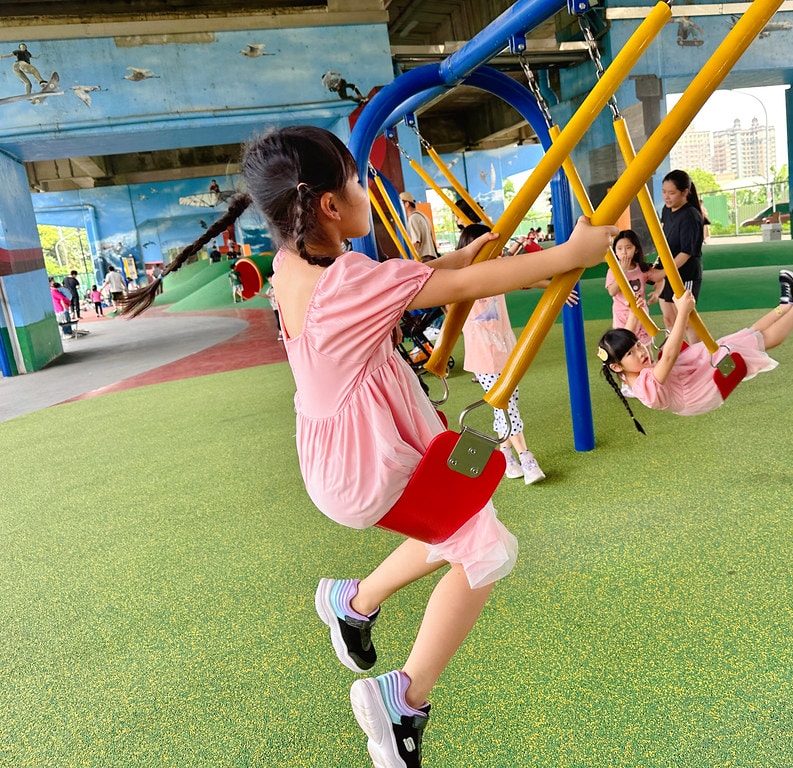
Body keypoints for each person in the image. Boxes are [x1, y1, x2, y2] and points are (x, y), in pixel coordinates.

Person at [117, 125, 616, 768]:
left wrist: (446, 263)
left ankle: (352, 603)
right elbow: (451, 290)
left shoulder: (293, 267)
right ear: (329, 206)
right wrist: (569, 251)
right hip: (376, 466)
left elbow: (394, 290)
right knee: (488, 549)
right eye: (358, 183)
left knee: (469, 526)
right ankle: (399, 701)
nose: (364, 193)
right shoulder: (350, 279)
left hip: (340, 463)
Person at [597, 269, 793, 432]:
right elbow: (669, 356)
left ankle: (784, 307)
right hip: (696, 393)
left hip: (686, 375)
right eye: (630, 354)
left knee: (741, 338)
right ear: (617, 366)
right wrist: (682, 311)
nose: (640, 352)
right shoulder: (643, 388)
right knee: (747, 346)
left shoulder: (629, 371)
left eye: (637, 345)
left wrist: (637, 313)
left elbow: (629, 338)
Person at [457, 223, 549, 485]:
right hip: (483, 358)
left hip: (507, 352)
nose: (496, 255)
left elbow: (524, 279)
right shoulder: (464, 278)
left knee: (507, 405)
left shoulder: (497, 274)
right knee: (505, 404)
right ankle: (526, 457)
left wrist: (553, 288)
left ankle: (506, 457)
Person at [657, 169, 705, 334]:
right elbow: (664, 240)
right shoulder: (666, 210)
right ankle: (676, 356)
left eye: (672, 193)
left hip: (685, 274)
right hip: (669, 272)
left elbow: (686, 253)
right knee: (669, 319)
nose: (666, 197)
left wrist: (662, 273)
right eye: (664, 192)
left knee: (686, 321)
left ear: (685, 192)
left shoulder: (690, 216)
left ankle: (697, 357)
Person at [605, 229, 660, 347]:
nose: (624, 252)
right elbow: (612, 291)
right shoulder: (613, 271)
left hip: (641, 313)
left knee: (645, 347)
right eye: (619, 249)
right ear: (615, 251)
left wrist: (657, 292)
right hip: (621, 315)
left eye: (628, 248)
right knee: (625, 347)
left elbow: (660, 277)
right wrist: (623, 271)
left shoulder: (641, 268)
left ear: (636, 249)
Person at [399, 192, 439, 261]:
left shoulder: (413, 218)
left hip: (423, 259)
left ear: (406, 204)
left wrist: (410, 261)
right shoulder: (423, 216)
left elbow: (416, 242)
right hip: (431, 257)